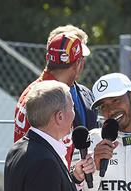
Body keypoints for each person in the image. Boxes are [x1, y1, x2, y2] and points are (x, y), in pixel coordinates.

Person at [13, 25, 98, 166]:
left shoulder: (34, 92)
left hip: (32, 173)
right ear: (77, 64)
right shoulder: (50, 99)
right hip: (46, 177)